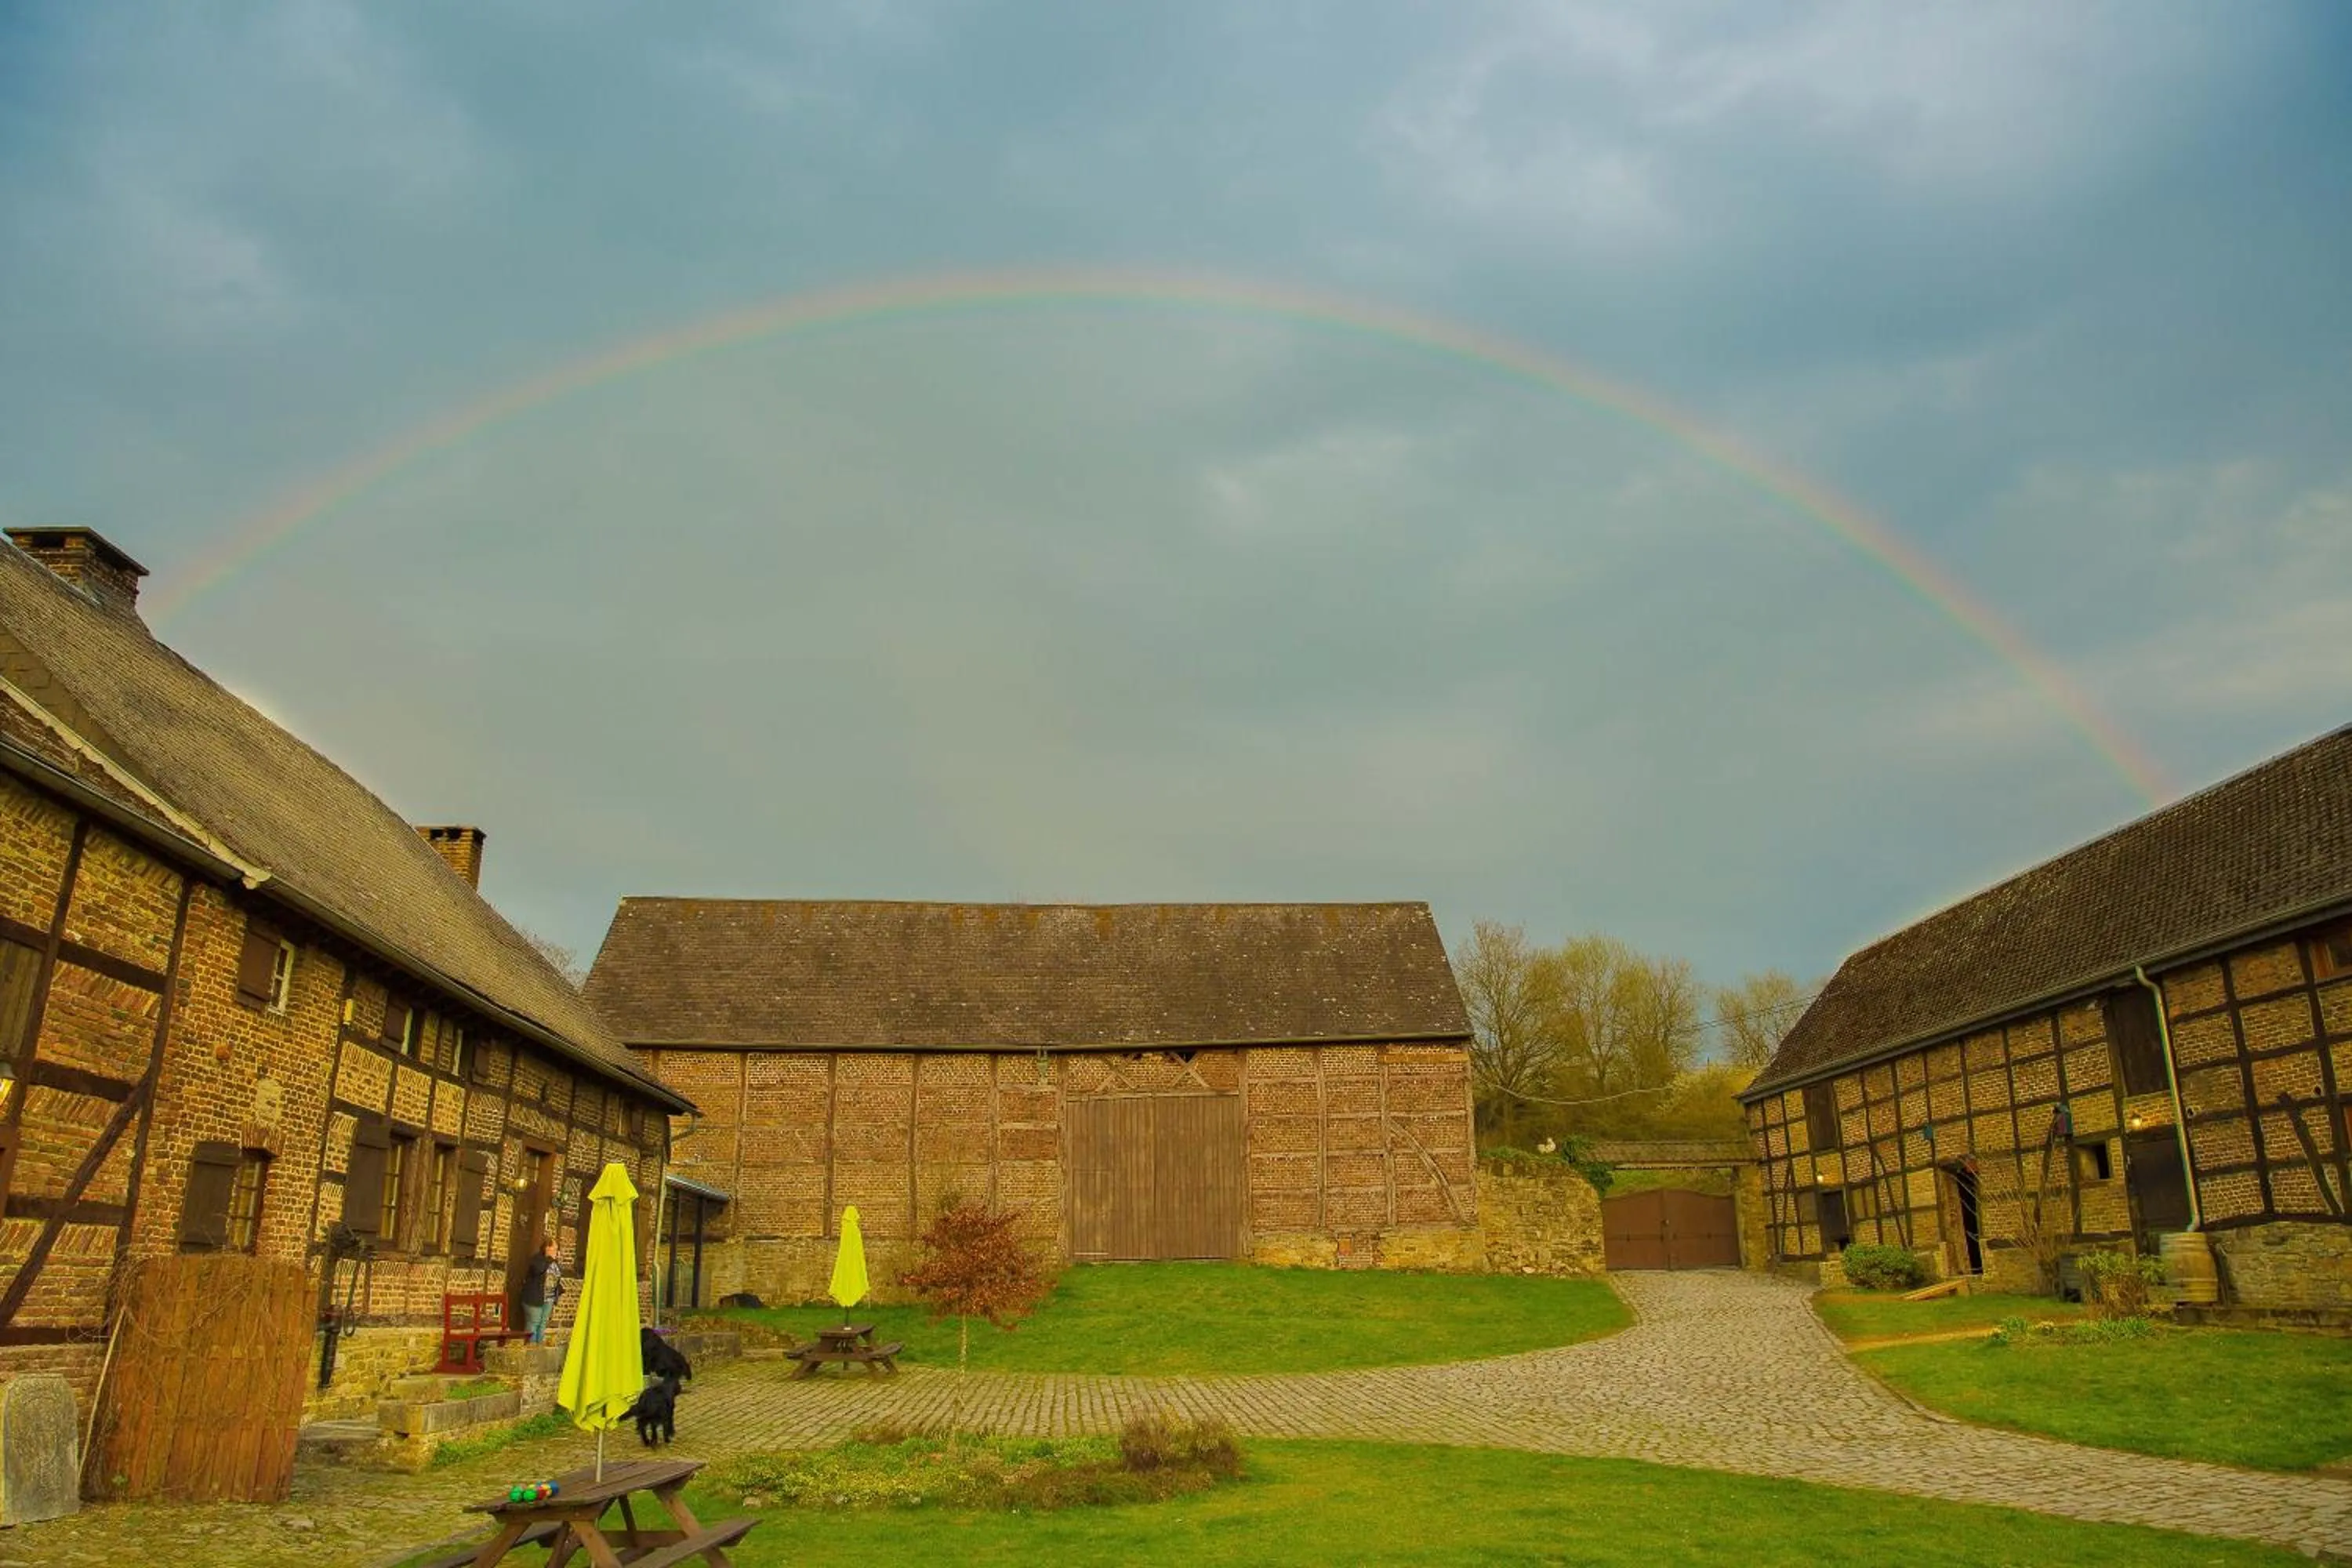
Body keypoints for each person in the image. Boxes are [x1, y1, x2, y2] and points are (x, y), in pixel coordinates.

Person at [519, 1237, 562, 1344]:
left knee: (543, 1323)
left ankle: (539, 1350)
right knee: (534, 1323)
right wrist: (550, 1259)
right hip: (534, 1298)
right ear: (547, 1248)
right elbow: (539, 1270)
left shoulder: (554, 1262)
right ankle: (531, 1350)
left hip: (549, 1298)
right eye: (554, 1249)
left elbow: (555, 1276)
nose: (556, 1252)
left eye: (557, 1249)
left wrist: (558, 1289)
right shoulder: (537, 1259)